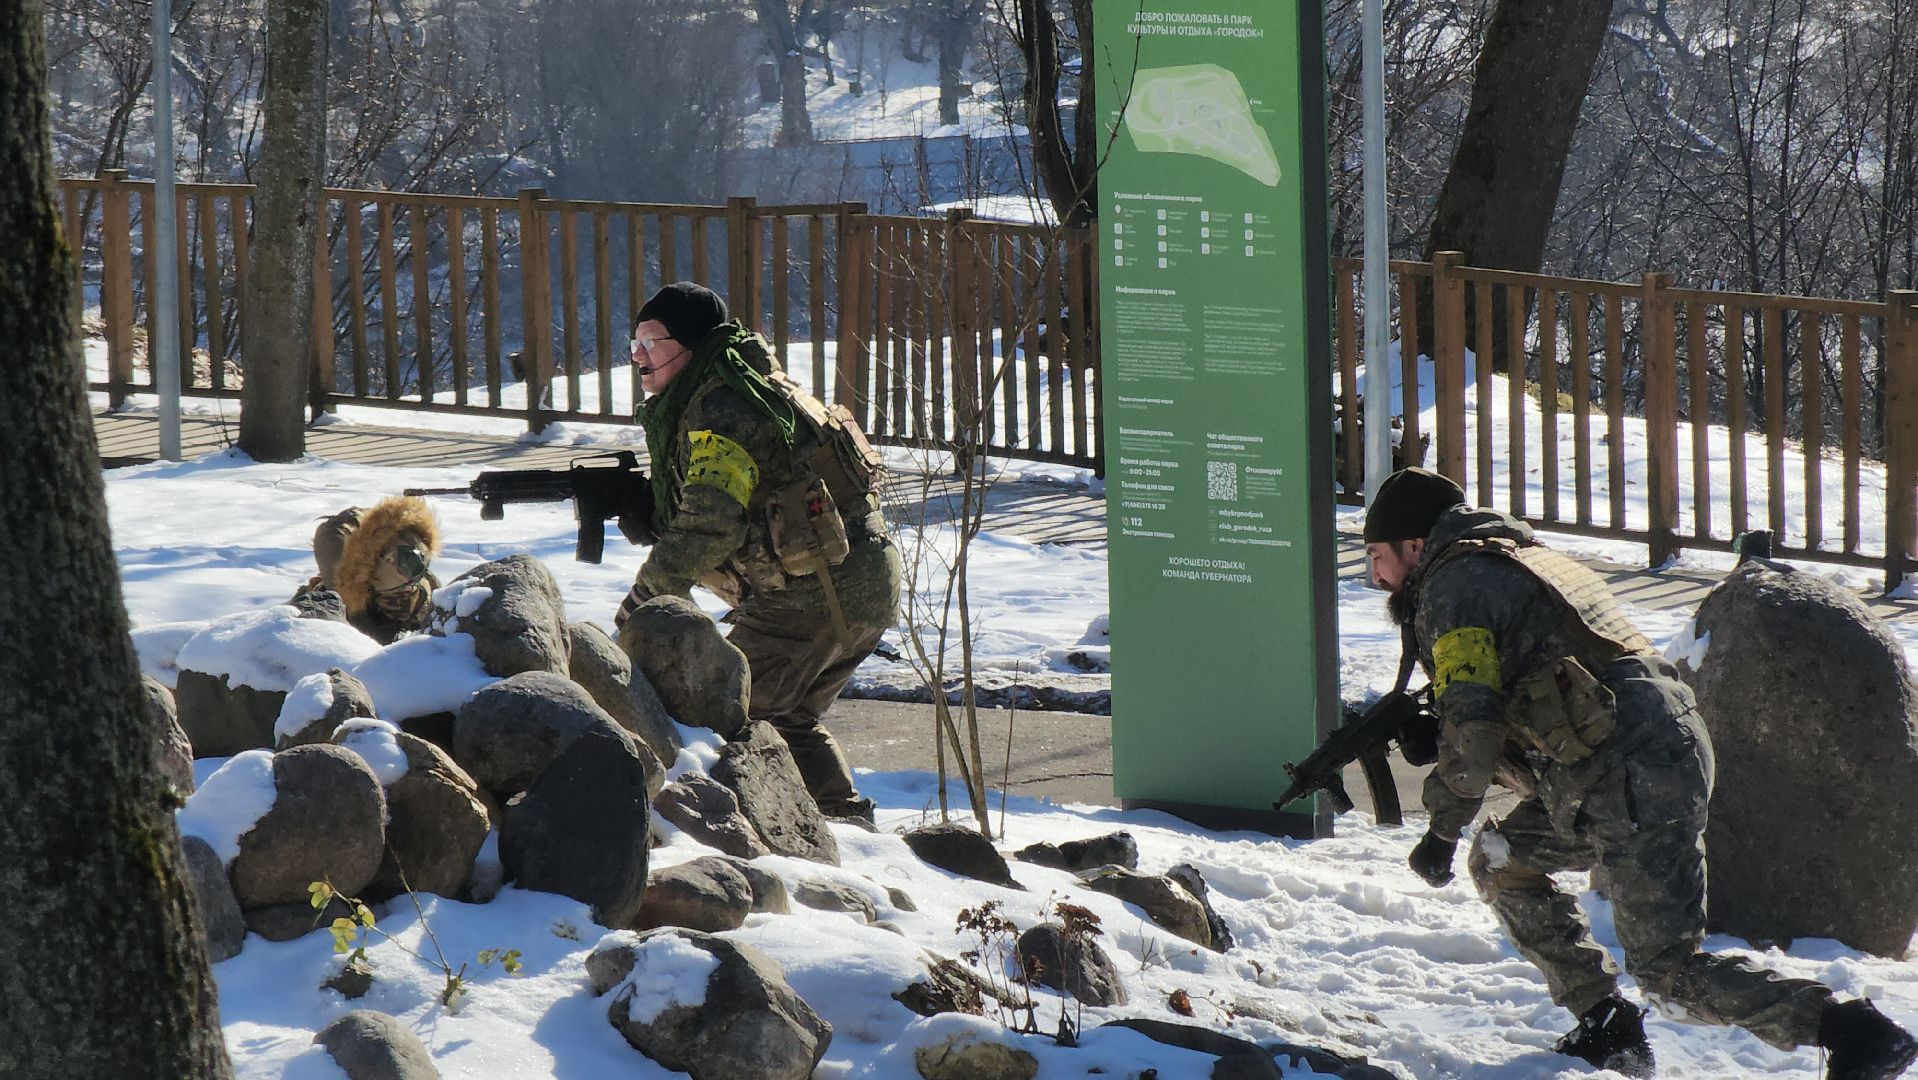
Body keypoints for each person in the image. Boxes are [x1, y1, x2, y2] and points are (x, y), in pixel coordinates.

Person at [1363, 466, 1917, 1080]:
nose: (1376, 576)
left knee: (1668, 972)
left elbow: (1477, 726)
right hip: (1626, 763)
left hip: (1630, 778)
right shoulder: (1514, 559)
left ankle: (1853, 1031)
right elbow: (1538, 691)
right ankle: (1606, 1024)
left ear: (1415, 544)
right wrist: (1438, 727)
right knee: (1501, 861)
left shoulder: (1453, 586)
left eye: (1377, 556)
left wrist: (1441, 829)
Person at [612, 281, 900, 823]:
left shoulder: (720, 409)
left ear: (690, 344)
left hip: (814, 599)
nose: (638, 357)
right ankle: (845, 827)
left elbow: (711, 525)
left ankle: (757, 837)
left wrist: (644, 598)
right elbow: (743, 497)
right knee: (785, 719)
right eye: (635, 344)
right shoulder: (738, 384)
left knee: (724, 715)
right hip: (860, 584)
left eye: (651, 342)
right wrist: (654, 516)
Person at [293, 495, 441, 644]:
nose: (419, 568)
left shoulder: (432, 596)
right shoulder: (318, 616)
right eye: (408, 561)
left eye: (422, 557)